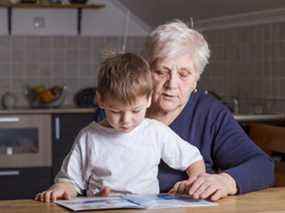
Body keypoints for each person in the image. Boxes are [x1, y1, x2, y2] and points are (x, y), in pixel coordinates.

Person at [35, 53, 206, 202]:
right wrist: (61, 189)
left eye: (136, 110)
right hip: (102, 208)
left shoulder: (156, 132)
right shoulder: (89, 137)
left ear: (148, 99)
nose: (126, 120)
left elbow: (193, 159)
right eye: (116, 111)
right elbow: (70, 182)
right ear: (100, 100)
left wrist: (195, 181)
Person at [144, 19, 275, 201]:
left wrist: (225, 181)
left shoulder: (209, 113)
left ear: (196, 79)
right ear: (146, 71)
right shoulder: (121, 108)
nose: (172, 84)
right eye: (161, 72)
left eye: (184, 74)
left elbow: (262, 166)